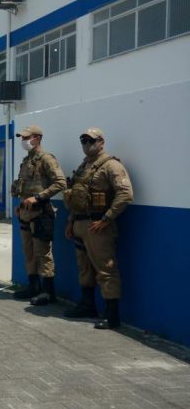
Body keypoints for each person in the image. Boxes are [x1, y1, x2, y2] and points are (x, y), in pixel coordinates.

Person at [63, 128, 133, 329]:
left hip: (98, 227)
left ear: (101, 141)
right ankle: (87, 305)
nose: (86, 144)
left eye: (90, 140)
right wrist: (71, 222)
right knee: (84, 267)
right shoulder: (83, 166)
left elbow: (125, 194)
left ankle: (112, 316)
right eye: (83, 140)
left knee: (106, 269)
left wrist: (107, 218)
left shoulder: (111, 165)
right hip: (79, 224)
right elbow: (77, 198)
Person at [11, 125, 66, 306]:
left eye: (27, 137)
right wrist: (21, 205)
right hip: (26, 214)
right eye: (22, 138)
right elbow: (24, 187)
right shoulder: (27, 161)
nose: (23, 141)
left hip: (41, 213)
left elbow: (60, 183)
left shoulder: (46, 159)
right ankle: (33, 287)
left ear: (37, 138)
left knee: (43, 253)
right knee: (29, 252)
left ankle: (48, 292)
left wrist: (38, 197)